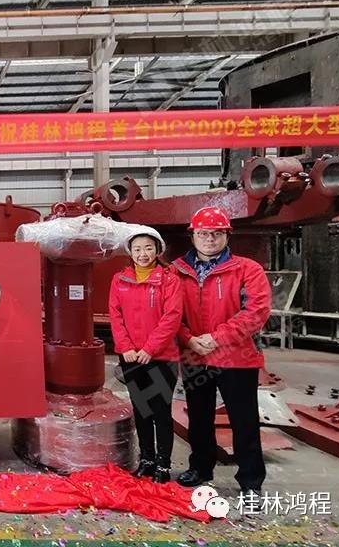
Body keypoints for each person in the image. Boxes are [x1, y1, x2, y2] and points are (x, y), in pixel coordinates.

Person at [173, 206, 271, 496]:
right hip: (194, 355)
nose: (210, 239)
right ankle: (200, 468)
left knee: (244, 421)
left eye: (217, 233)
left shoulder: (248, 269)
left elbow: (256, 311)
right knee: (199, 418)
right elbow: (169, 313)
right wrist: (188, 339)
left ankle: (251, 481)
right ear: (193, 236)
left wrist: (217, 338)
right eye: (203, 233)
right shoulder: (176, 270)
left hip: (236, 358)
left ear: (227, 235)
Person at [109, 226, 183, 484]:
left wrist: (150, 349)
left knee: (161, 411)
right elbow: (115, 316)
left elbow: (172, 317)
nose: (143, 254)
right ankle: (147, 460)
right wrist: (126, 347)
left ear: (157, 250)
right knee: (141, 410)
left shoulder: (169, 280)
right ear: (130, 252)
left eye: (148, 248)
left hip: (161, 357)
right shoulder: (120, 280)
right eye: (137, 249)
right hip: (130, 357)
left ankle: (163, 464)